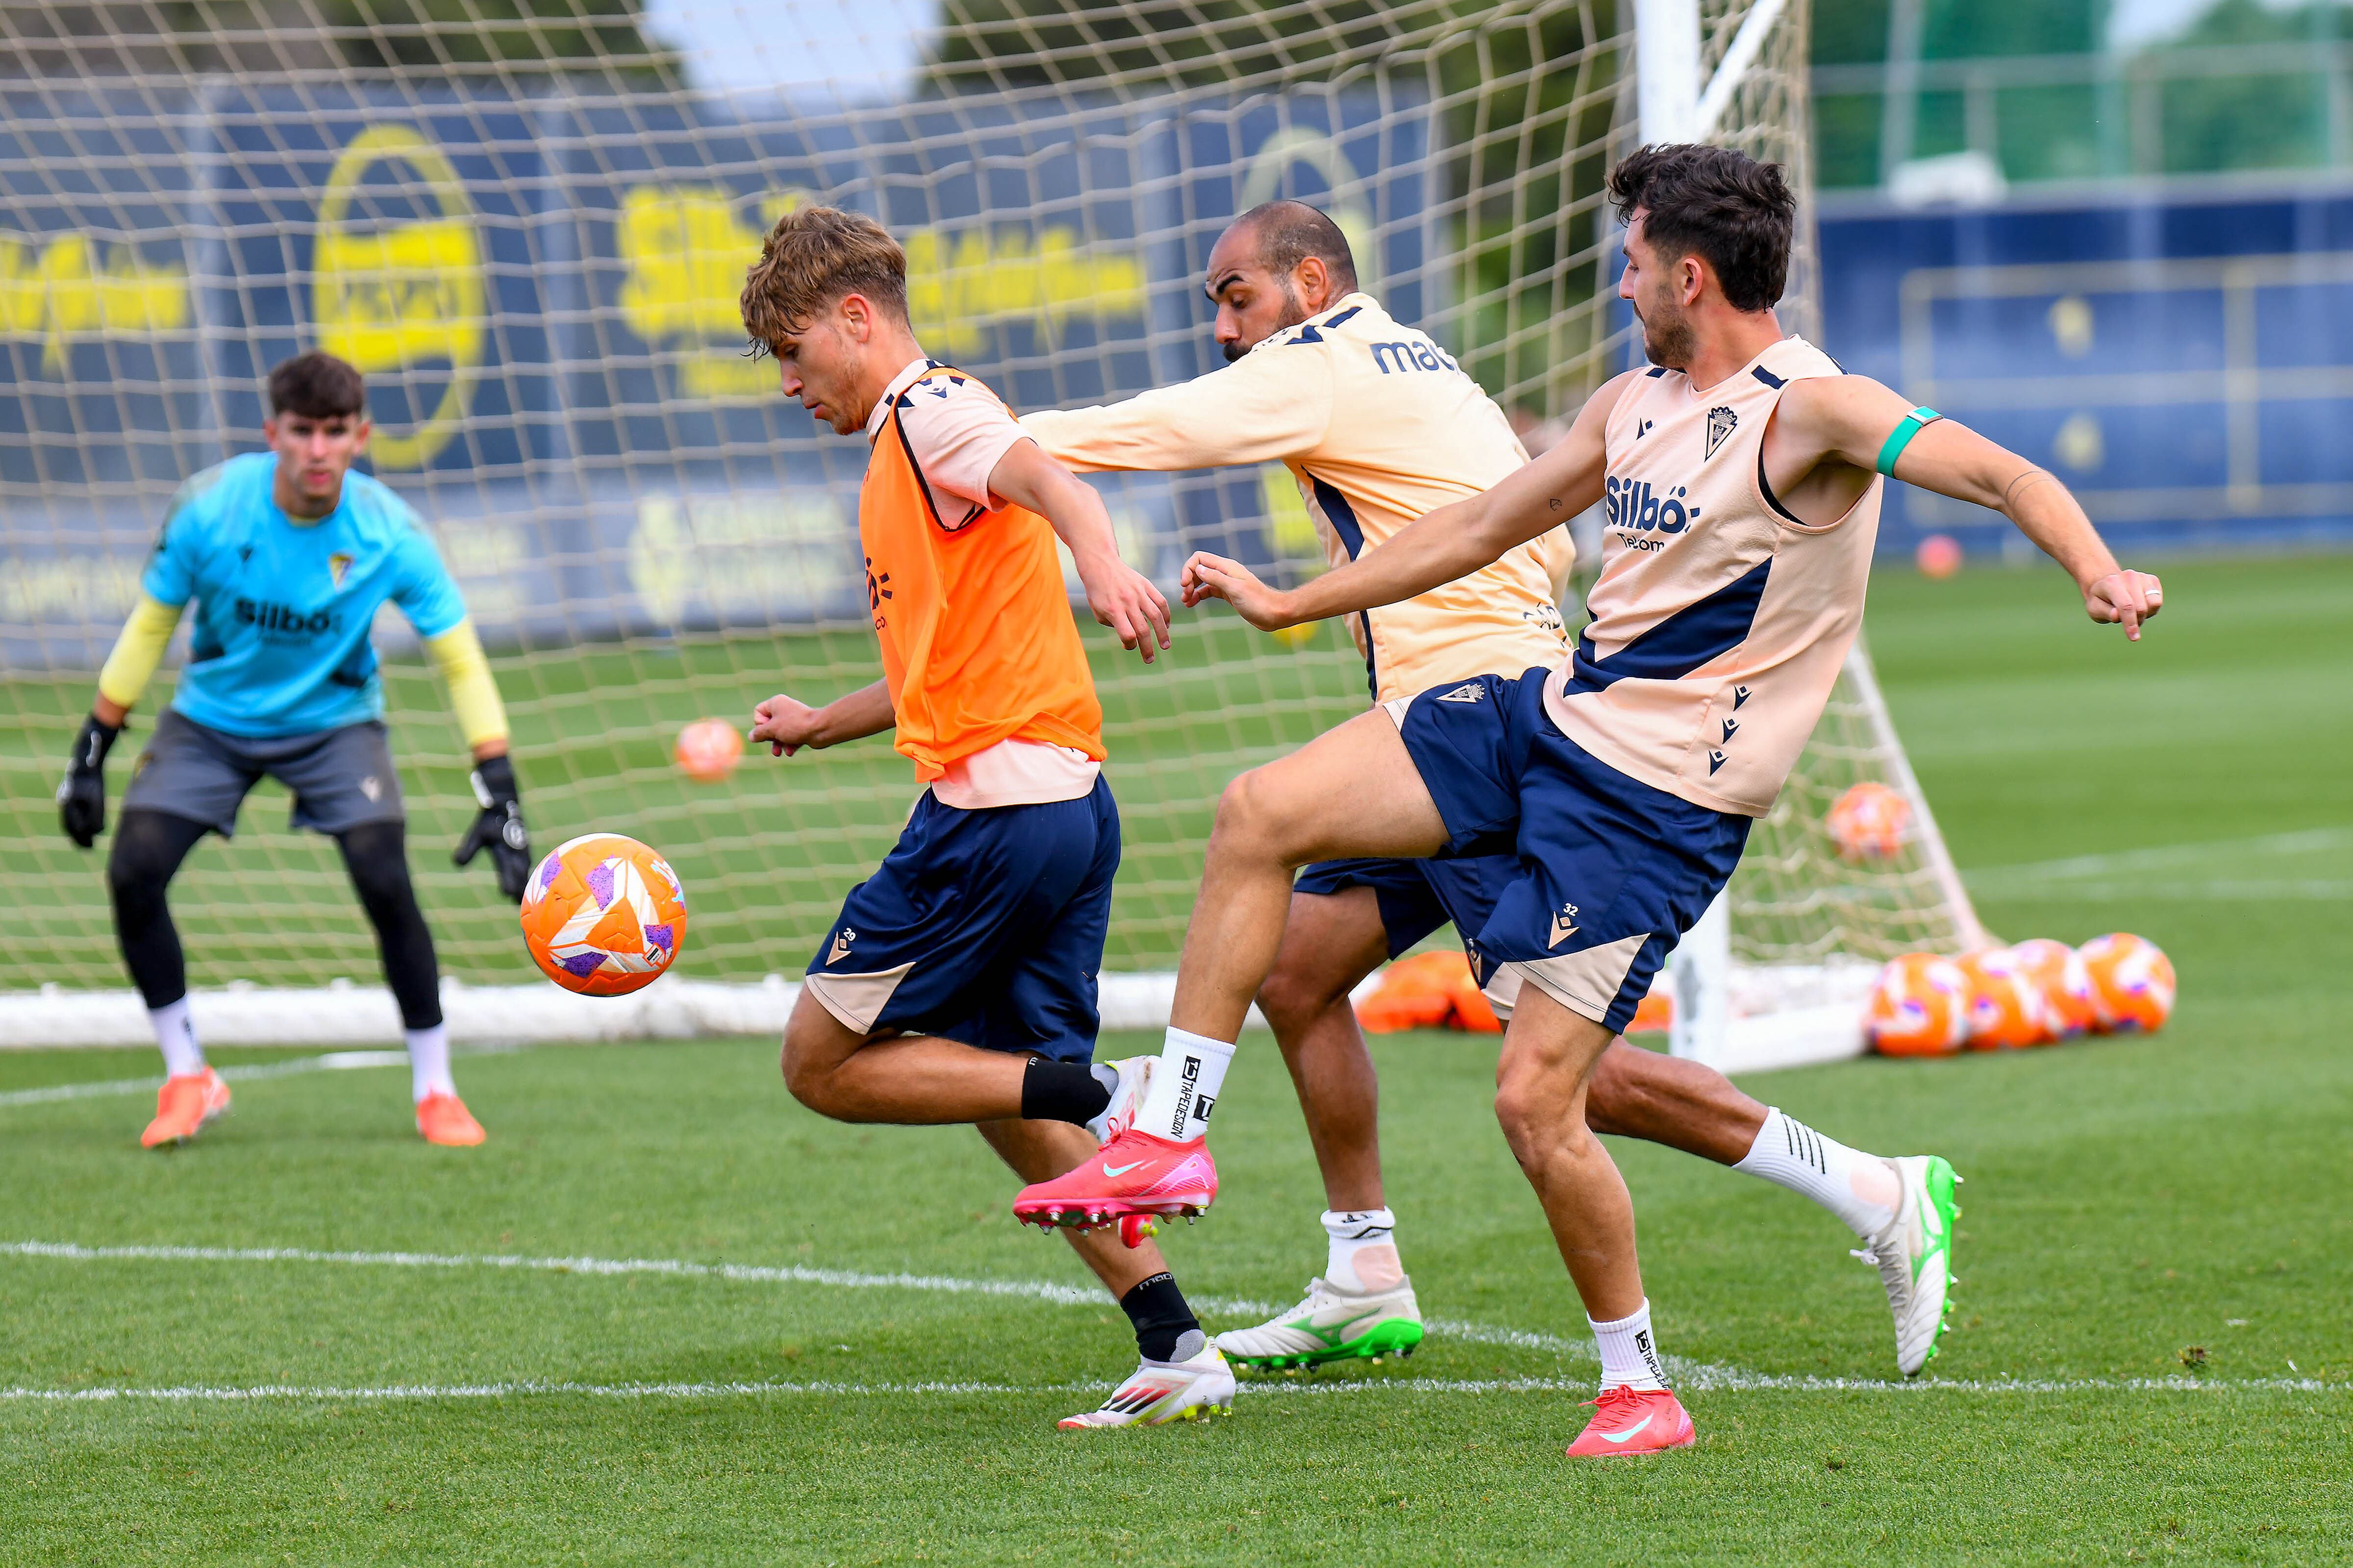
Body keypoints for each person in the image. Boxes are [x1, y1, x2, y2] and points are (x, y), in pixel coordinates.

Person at [1016, 145, 2163, 1457]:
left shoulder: (1820, 411)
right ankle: (1183, 1146)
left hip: (1656, 808)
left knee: (1542, 1097)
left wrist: (2099, 567)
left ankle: (1647, 1383)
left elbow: (2006, 474)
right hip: (1545, 720)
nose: (1619, 286)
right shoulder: (1631, 403)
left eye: (1631, 263)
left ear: (1690, 272)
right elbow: (1477, 527)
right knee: (1259, 822)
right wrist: (1293, 602)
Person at [735, 204, 1230, 1430]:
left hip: (995, 817)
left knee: (823, 1065)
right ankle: (1176, 1345)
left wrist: (1104, 565)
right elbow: (927, 674)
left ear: (858, 318)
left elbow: (1048, 475)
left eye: (796, 352)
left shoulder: (931, 409)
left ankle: (1113, 1095)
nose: (790, 382)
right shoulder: (901, 454)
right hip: (1061, 807)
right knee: (1001, 1094)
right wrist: (817, 722)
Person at [56, 351, 531, 1150]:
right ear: (271, 433)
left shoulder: (391, 534)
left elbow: (460, 658)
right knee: (134, 869)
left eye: (335, 433)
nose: (319, 450)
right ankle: (186, 1075)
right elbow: (150, 627)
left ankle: (436, 1089)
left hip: (336, 726)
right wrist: (93, 749)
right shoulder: (208, 512)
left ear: (361, 436)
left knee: (385, 876)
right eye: (303, 432)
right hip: (210, 722)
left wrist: (501, 788)